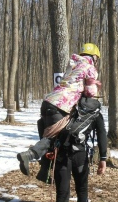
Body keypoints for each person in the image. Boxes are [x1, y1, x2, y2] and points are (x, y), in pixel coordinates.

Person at [17, 43, 101, 176]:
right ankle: (30, 155)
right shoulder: (90, 67)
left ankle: (44, 170)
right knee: (57, 137)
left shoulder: (73, 64)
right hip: (61, 105)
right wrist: (94, 89)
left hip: (48, 102)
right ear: (94, 56)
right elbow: (90, 92)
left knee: (51, 137)